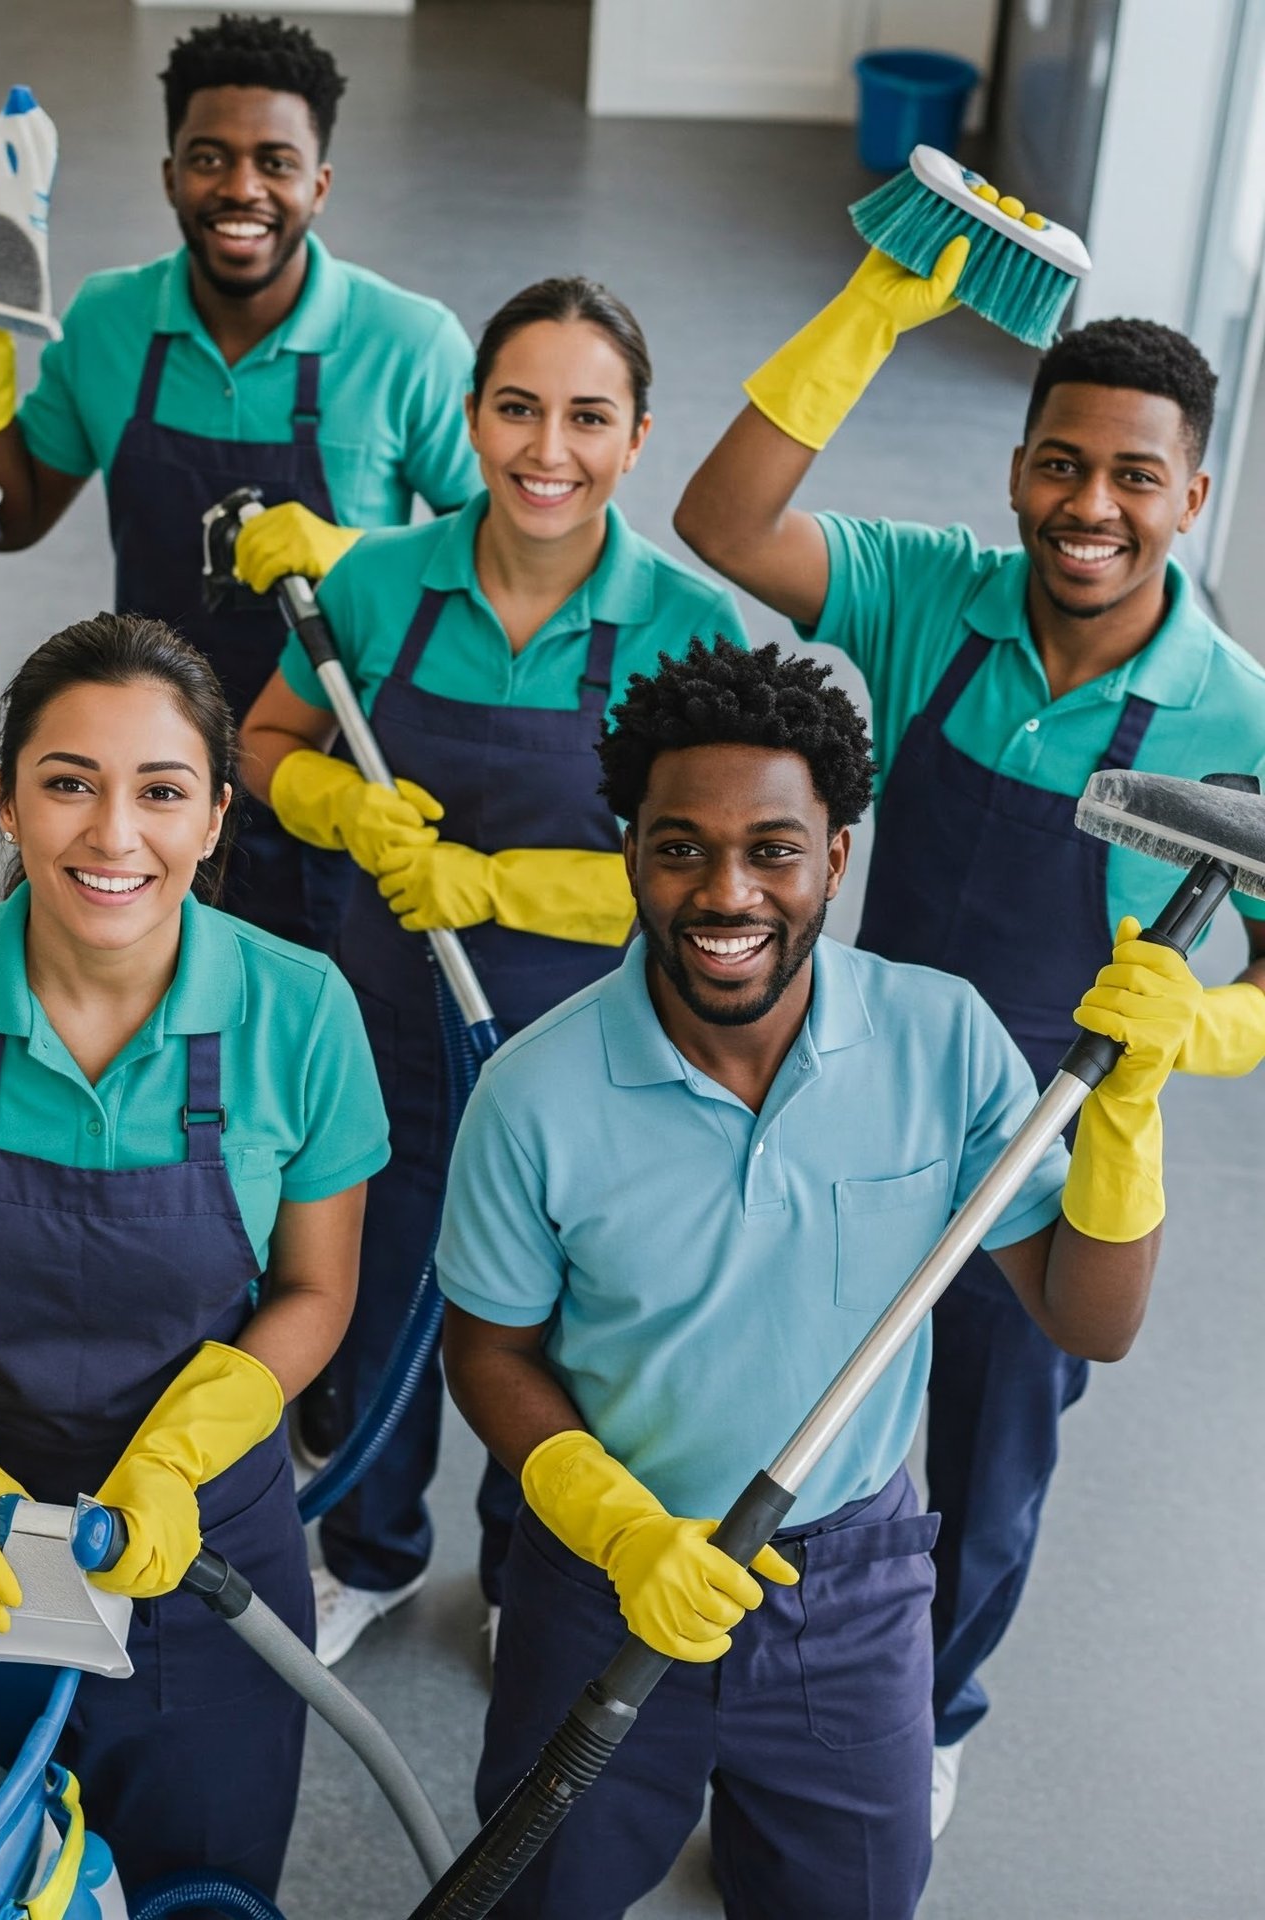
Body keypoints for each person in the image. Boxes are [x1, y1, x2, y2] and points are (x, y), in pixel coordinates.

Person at [439, 637, 1189, 1919]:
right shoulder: (533, 1096)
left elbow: (1089, 1318)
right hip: (607, 1575)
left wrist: (1126, 1125)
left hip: (849, 1587)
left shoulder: (941, 1037)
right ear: (631, 850)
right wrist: (618, 1531)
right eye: (680, 847)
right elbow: (488, 1350)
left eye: (775, 850)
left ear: (836, 856)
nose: (727, 892)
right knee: (536, 1895)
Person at [673, 251, 1265, 1827]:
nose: (1092, 505)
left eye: (1137, 477)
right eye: (1061, 462)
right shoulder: (935, 591)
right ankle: (755, 1675)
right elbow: (723, 526)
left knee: (992, 1461)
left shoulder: (1242, 719)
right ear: (1016, 468)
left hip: (1046, 1158)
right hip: (855, 1095)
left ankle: (927, 1716)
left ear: (1192, 497)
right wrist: (872, 307)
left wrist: (1203, 1028)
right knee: (801, 1407)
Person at [0, 614, 388, 1897]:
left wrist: (178, 1453)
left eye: (162, 792)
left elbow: (316, 1289)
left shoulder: (301, 1013)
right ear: (5, 802)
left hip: (207, 1545)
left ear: (218, 818)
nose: (115, 836)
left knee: (202, 1878)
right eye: (68, 783)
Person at [239, 276, 745, 1664]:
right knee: (379, 1290)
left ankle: (536, 1567)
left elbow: (717, 874)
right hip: (390, 1027)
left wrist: (500, 883)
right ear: (469, 417)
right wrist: (338, 808)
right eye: (518, 408)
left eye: (590, 417)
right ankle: (371, 1550)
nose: (549, 449)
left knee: (563, 1328)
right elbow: (264, 743)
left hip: (592, 1054)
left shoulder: (686, 623)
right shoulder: (377, 584)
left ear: (638, 439)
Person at [0, 12, 478, 948]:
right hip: (143, 779)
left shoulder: (407, 344)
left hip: (328, 768)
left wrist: (355, 554)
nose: (241, 188)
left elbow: (504, 553)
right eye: (209, 157)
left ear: (318, 182)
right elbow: (10, 517)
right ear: (168, 175)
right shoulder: (110, 320)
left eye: (274, 162)